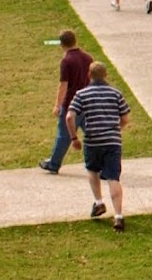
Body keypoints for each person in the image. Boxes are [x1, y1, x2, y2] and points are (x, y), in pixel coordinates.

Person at [66, 61, 130, 231]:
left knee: (92, 170)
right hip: (112, 141)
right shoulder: (116, 93)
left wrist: (74, 138)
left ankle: (99, 202)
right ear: (105, 75)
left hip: (92, 141)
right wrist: (116, 129)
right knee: (113, 178)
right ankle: (118, 216)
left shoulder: (81, 94)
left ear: (89, 75)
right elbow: (125, 118)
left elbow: (69, 117)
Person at [38, 29, 92, 173]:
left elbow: (64, 85)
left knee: (63, 135)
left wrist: (57, 105)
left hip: (71, 104)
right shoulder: (87, 58)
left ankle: (54, 164)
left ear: (62, 44)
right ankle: (99, 162)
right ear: (75, 40)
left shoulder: (66, 61)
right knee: (92, 134)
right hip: (86, 103)